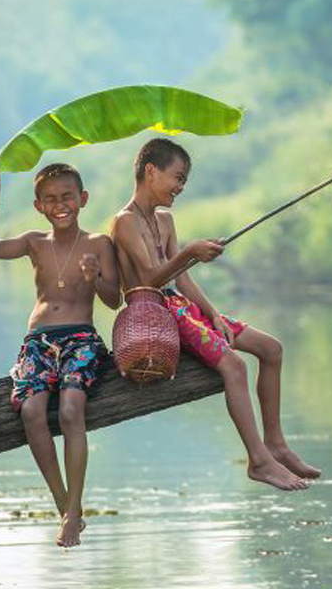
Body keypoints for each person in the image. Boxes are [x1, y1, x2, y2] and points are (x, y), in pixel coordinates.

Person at [111, 138, 320, 491]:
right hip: (155, 313)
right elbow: (149, 278)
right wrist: (190, 251)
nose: (180, 188)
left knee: (272, 349)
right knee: (234, 366)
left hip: (183, 307)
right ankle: (258, 460)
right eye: (177, 178)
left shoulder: (165, 219)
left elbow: (182, 278)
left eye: (184, 182)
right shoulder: (123, 222)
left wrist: (214, 314)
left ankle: (276, 444)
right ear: (151, 171)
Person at [0, 163, 121, 547]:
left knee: (72, 410)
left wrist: (96, 278)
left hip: (81, 339)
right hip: (39, 341)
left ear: (83, 199)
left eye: (68, 197)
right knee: (31, 412)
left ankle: (74, 511)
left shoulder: (99, 244)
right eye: (51, 199)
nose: (61, 205)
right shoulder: (34, 242)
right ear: (39, 205)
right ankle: (65, 507)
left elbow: (113, 298)